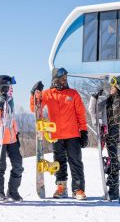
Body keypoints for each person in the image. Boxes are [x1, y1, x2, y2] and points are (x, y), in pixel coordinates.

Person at [30, 67, 88, 200]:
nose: (64, 81)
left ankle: (78, 189)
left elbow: (81, 114)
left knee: (75, 162)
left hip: (73, 134)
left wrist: (83, 130)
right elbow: (35, 108)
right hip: (56, 135)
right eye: (62, 79)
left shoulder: (73, 94)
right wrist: (33, 94)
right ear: (55, 79)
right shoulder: (47, 94)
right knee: (59, 162)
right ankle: (61, 188)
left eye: (65, 79)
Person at [88, 75, 120, 204]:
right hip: (110, 137)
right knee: (113, 165)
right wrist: (94, 98)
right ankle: (114, 190)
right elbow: (93, 111)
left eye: (113, 86)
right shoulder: (107, 102)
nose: (111, 88)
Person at [0, 75, 24, 202]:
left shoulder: (10, 100)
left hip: (11, 138)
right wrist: (0, 103)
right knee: (1, 166)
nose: (11, 89)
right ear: (2, 87)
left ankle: (13, 191)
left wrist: (17, 134)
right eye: (9, 86)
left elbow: (12, 118)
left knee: (18, 165)